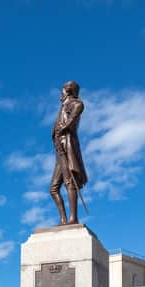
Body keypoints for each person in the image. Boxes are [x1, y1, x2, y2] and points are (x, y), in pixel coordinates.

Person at [50, 80, 88, 225]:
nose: (61, 93)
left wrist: (64, 127)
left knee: (69, 182)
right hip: (59, 151)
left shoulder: (76, 104)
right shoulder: (63, 107)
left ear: (69, 91)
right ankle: (63, 219)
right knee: (53, 189)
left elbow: (72, 120)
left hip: (67, 147)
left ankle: (73, 218)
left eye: (63, 90)